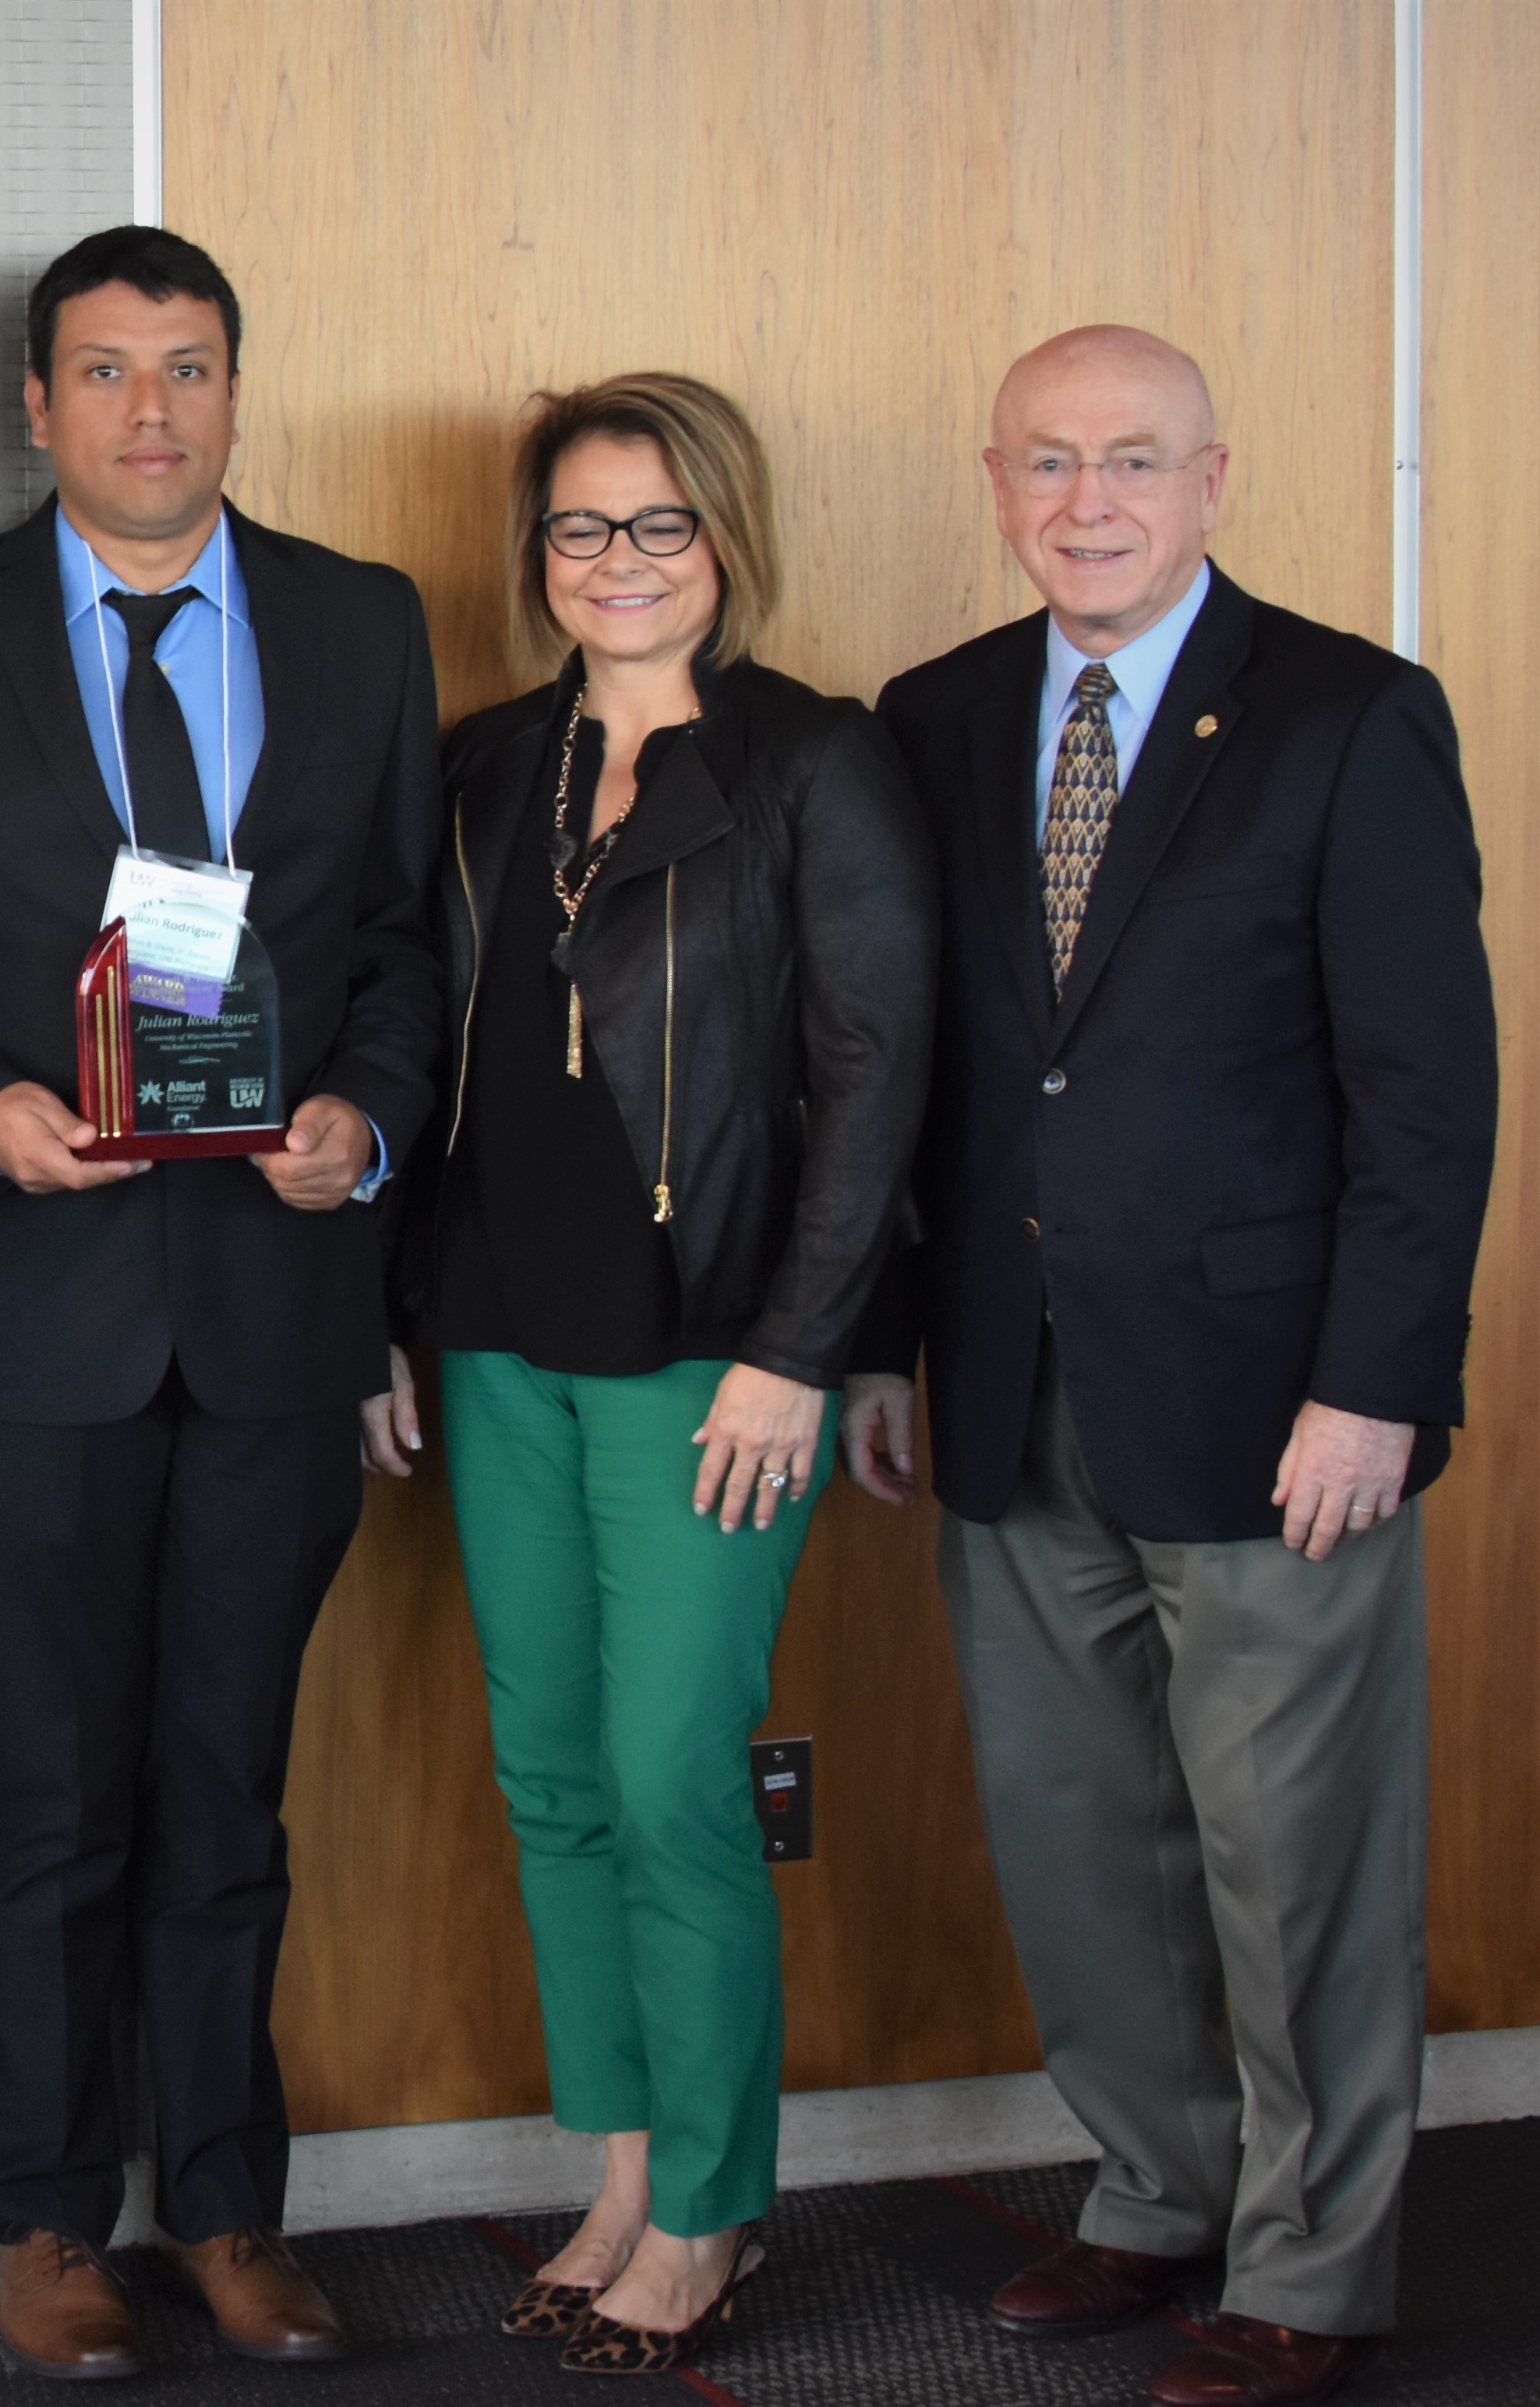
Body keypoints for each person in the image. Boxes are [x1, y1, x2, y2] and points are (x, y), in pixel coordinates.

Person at [849, 326, 1491, 2407]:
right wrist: (879, 1346)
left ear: (1215, 475)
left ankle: (1307, 2266)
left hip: (1276, 1405)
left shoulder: (1346, 715)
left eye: (1131, 460)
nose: (1087, 502)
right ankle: (1153, 2193)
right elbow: (917, 1074)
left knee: (1290, 1859)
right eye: (1046, 460)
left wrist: (1377, 1382)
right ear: (993, 476)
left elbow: (1425, 1095)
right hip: (1007, 1380)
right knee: (1075, 1828)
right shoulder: (936, 719)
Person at [0, 224, 442, 2377]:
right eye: (104, 371)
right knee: (47, 1792)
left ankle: (227, 2207)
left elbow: (400, 939)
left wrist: (361, 1117)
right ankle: (42, 2219)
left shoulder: (364, 625)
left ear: (233, 387)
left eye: (187, 367)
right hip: (31, 1303)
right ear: (36, 403)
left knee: (227, 1781)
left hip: (278, 1297)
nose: (150, 409)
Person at [367, 374, 931, 2374]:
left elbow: (875, 1091)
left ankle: (709, 2206)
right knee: (548, 1779)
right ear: (540, 557)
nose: (618, 565)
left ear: (726, 541)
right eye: (582, 530)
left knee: (676, 1779)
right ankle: (617, 2165)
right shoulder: (482, 762)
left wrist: (805, 1350)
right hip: (496, 1332)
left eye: (659, 527)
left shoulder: (815, 763)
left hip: (709, 1354)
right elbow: (420, 1055)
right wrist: (385, 1317)